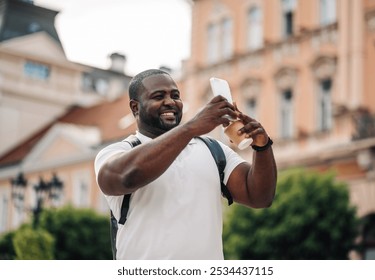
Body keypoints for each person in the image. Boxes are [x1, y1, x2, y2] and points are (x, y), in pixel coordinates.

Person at [94, 69, 277, 260]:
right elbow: (123, 177)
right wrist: (191, 128)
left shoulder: (213, 150)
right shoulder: (118, 151)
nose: (170, 101)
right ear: (135, 108)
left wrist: (263, 147)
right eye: (158, 96)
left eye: (175, 95)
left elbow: (259, 197)